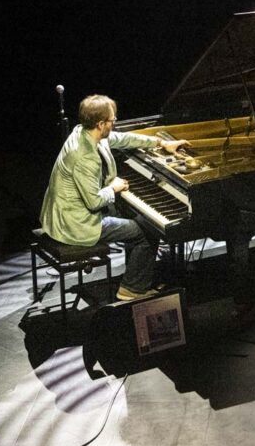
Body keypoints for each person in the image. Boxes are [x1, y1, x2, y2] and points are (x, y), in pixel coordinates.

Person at [40, 94, 190, 301]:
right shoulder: (85, 157)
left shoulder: (83, 132)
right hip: (75, 224)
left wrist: (160, 143)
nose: (115, 123)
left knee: (140, 222)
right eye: (113, 120)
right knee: (147, 233)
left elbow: (120, 138)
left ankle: (136, 273)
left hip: (63, 214)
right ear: (101, 124)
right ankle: (132, 289)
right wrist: (113, 188)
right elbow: (94, 202)